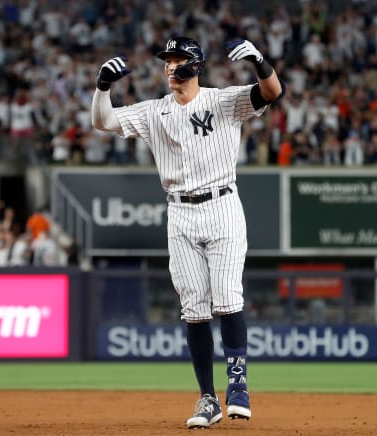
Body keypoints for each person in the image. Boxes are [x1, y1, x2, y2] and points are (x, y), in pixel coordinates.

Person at [91, 36, 284, 429]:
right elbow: (103, 121)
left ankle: (239, 385)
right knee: (193, 309)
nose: (169, 67)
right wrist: (102, 88)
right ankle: (208, 399)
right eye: (166, 60)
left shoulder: (222, 101)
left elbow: (272, 91)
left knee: (228, 298)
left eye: (177, 60)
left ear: (194, 65)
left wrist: (260, 62)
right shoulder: (153, 111)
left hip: (223, 205)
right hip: (179, 213)